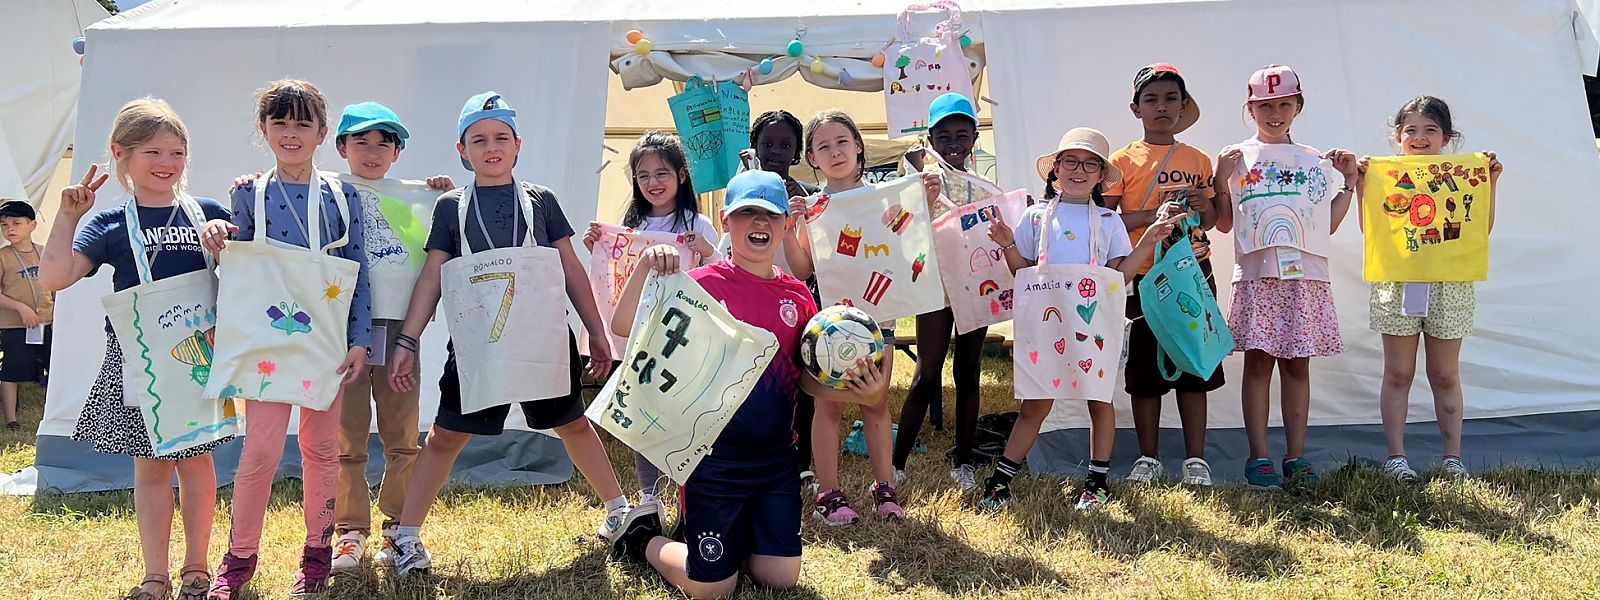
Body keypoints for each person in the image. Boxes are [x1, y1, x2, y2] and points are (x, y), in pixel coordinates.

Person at [611, 170, 887, 599]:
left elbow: (807, 384)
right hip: (711, 462)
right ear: (725, 220)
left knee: (781, 579)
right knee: (713, 591)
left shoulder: (799, 297)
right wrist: (646, 265)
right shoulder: (700, 286)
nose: (759, 224)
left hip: (776, 462)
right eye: (747, 214)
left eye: (770, 215)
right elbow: (624, 325)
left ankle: (728, 537)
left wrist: (864, 394)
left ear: (784, 225)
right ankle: (642, 538)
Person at [384, 91, 627, 576]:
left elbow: (571, 268)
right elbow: (433, 275)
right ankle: (407, 536)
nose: (490, 147)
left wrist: (595, 331)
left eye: (500, 137)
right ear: (461, 149)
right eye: (478, 139)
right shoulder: (451, 208)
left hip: (543, 339)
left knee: (573, 422)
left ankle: (620, 511)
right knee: (446, 435)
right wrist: (407, 341)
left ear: (518, 145)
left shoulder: (541, 201)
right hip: (479, 344)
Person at [40, 97, 236, 600]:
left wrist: (227, 242)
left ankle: (197, 567)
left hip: (198, 362)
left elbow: (247, 277)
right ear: (120, 154)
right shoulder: (107, 225)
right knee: (150, 469)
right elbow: (55, 279)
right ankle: (155, 574)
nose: (166, 163)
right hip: (138, 363)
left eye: (177, 152)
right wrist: (66, 216)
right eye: (152, 152)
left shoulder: (209, 213)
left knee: (197, 465)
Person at [204, 79, 374, 599]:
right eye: (280, 122)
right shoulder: (246, 192)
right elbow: (238, 260)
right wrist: (216, 237)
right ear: (264, 129)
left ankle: (317, 554)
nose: (291, 134)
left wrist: (360, 338)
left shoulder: (345, 196)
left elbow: (359, 271)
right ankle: (238, 560)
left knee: (321, 447)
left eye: (303, 123)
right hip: (266, 345)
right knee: (259, 451)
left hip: (325, 343)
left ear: (324, 132)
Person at [981, 127, 1184, 510]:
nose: (1079, 170)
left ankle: (1096, 483)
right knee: (1035, 403)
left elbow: (1119, 275)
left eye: (1090, 164)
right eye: (1071, 161)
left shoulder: (1109, 221)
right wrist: (1007, 243)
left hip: (1093, 325)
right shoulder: (1035, 217)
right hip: (1045, 323)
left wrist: (1149, 240)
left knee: (1097, 398)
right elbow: (1023, 272)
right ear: (1055, 169)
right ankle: (1001, 481)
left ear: (1099, 175)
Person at [785, 109, 939, 524]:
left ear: (858, 147)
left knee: (875, 403)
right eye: (823, 146)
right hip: (827, 329)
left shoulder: (887, 197)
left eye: (842, 142)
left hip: (879, 323)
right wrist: (789, 225)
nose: (834, 152)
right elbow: (801, 269)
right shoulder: (814, 207)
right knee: (828, 408)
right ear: (812, 158)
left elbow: (908, 241)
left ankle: (884, 488)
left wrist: (922, 200)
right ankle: (829, 494)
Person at [1214, 65, 1359, 490]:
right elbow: (1224, 224)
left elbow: (1325, 226)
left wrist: (1347, 183)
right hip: (1259, 274)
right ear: (1250, 108)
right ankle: (1258, 457)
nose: (1273, 113)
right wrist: (1221, 181)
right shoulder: (1237, 157)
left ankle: (1296, 455)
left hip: (1306, 275)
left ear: (1298, 106)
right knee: (1258, 364)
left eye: (1282, 104)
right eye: (1264, 106)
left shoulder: (1313, 160)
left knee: (1298, 365)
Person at [325, 101, 454, 571]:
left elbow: (437, 237)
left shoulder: (417, 195)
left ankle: (399, 527)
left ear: (398, 153)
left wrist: (438, 190)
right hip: (343, 327)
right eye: (361, 141)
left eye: (385, 143)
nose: (373, 151)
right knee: (347, 433)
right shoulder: (327, 190)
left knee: (403, 432)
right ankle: (349, 531)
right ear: (341, 147)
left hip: (400, 329)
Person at [1356, 96, 1503, 481]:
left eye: (1430, 130)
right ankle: (1396, 457)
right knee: (1399, 373)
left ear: (1447, 137)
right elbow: (1373, 230)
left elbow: (1478, 231)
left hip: (1449, 285)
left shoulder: (1460, 173)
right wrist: (1361, 186)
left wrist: (1491, 183)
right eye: (1411, 130)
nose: (1420, 138)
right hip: (1399, 283)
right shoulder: (1384, 176)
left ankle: (1452, 457)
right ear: (1397, 136)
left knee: (1444, 374)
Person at [582, 130, 718, 509]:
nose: (653, 183)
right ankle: (649, 495)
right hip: (642, 338)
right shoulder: (628, 230)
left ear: (681, 175)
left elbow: (721, 272)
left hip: (683, 336)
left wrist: (705, 250)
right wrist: (599, 250)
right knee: (643, 416)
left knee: (687, 414)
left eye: (662, 174)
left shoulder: (697, 225)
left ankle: (693, 491)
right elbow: (612, 280)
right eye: (643, 176)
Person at [1104, 63, 1224, 486]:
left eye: (1171, 98)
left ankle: (1197, 460)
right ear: (1135, 108)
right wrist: (1154, 216)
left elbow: (1210, 217)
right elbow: (1109, 220)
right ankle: (1148, 457)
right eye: (1151, 99)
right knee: (1144, 373)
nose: (1162, 107)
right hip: (1146, 275)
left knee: (1195, 363)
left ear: (1183, 105)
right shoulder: (1119, 160)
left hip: (1194, 274)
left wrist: (1198, 203)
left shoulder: (1198, 159)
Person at [891, 92, 992, 491]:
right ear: (931, 139)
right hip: (934, 287)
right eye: (944, 135)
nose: (954, 143)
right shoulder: (918, 178)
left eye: (962, 135)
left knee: (969, 372)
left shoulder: (984, 188)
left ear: (974, 138)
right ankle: (896, 464)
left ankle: (964, 463)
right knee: (926, 374)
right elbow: (899, 224)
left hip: (974, 288)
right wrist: (918, 188)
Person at [0, 200, 52, 430]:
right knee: (12, 370)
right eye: (4, 225)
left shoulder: (44, 253)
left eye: (16, 223)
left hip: (46, 323)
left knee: (52, 365)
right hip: (15, 325)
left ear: (32, 225)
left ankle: (50, 412)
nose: (10, 228)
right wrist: (20, 308)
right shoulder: (3, 256)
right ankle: (11, 419)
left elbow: (55, 286)